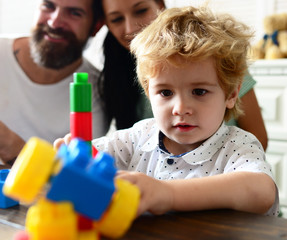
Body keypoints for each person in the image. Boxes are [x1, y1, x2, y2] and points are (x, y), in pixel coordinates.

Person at [55, 6, 279, 217]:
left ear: (231, 95)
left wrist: (167, 193)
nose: (180, 108)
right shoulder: (137, 137)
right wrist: (74, 155)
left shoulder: (237, 146)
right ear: (148, 92)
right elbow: (93, 157)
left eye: (199, 91)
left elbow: (262, 192)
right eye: (165, 93)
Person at [88, 0, 268, 151]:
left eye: (199, 91)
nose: (130, 27)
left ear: (160, 5)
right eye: (165, 92)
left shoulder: (218, 58)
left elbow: (258, 139)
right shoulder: (140, 131)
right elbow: (102, 149)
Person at [0, 0, 110, 165]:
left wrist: (13, 147)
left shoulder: (96, 91)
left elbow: (75, 178)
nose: (54, 22)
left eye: (74, 13)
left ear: (96, 26)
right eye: (48, 6)